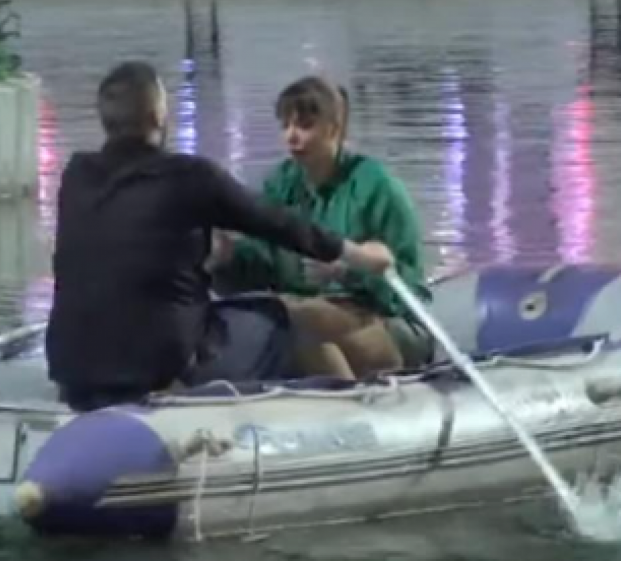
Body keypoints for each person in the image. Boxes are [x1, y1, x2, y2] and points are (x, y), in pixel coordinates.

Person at [45, 61, 395, 412]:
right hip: (160, 367)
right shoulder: (190, 176)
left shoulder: (75, 176)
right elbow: (279, 224)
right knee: (290, 320)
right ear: (158, 115)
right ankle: (351, 416)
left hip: (72, 368)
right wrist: (358, 255)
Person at [211, 75, 433, 379]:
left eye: (304, 126)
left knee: (301, 320)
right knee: (280, 318)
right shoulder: (281, 186)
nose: (291, 137)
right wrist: (226, 256)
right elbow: (264, 263)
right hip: (310, 314)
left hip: (388, 322)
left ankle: (350, 404)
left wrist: (349, 271)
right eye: (285, 125)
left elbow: (411, 291)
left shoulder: (378, 188)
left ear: (335, 128)